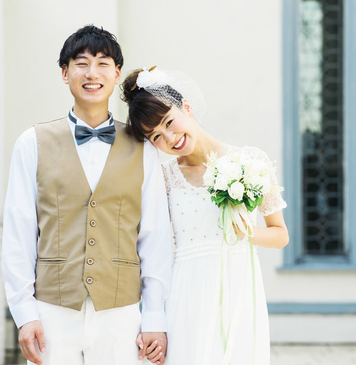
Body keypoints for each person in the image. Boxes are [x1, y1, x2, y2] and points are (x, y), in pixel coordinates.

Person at [1, 26, 172, 365]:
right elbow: (18, 233)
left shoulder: (144, 148)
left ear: (117, 74)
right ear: (65, 73)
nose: (92, 73)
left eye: (102, 63)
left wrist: (154, 316)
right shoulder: (32, 143)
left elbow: (155, 236)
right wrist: (24, 312)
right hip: (51, 311)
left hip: (121, 313)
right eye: (81, 63)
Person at [122, 67, 289, 365]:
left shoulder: (251, 161)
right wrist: (152, 318)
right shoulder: (164, 178)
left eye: (169, 122)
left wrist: (248, 232)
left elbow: (280, 235)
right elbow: (151, 247)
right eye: (156, 136)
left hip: (241, 291)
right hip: (187, 295)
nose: (170, 138)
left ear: (186, 107)